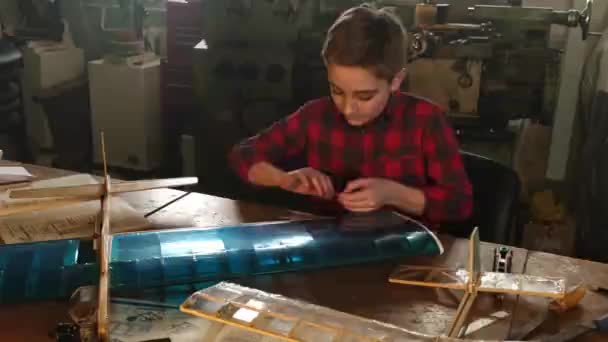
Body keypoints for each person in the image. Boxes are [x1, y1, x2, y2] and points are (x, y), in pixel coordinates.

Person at [229, 4, 473, 226]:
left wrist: (392, 194)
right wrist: (285, 180)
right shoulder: (315, 116)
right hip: (330, 252)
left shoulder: (426, 120)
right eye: (337, 91)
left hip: (410, 258)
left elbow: (459, 204)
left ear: (396, 80)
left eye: (364, 96)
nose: (347, 108)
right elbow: (244, 155)